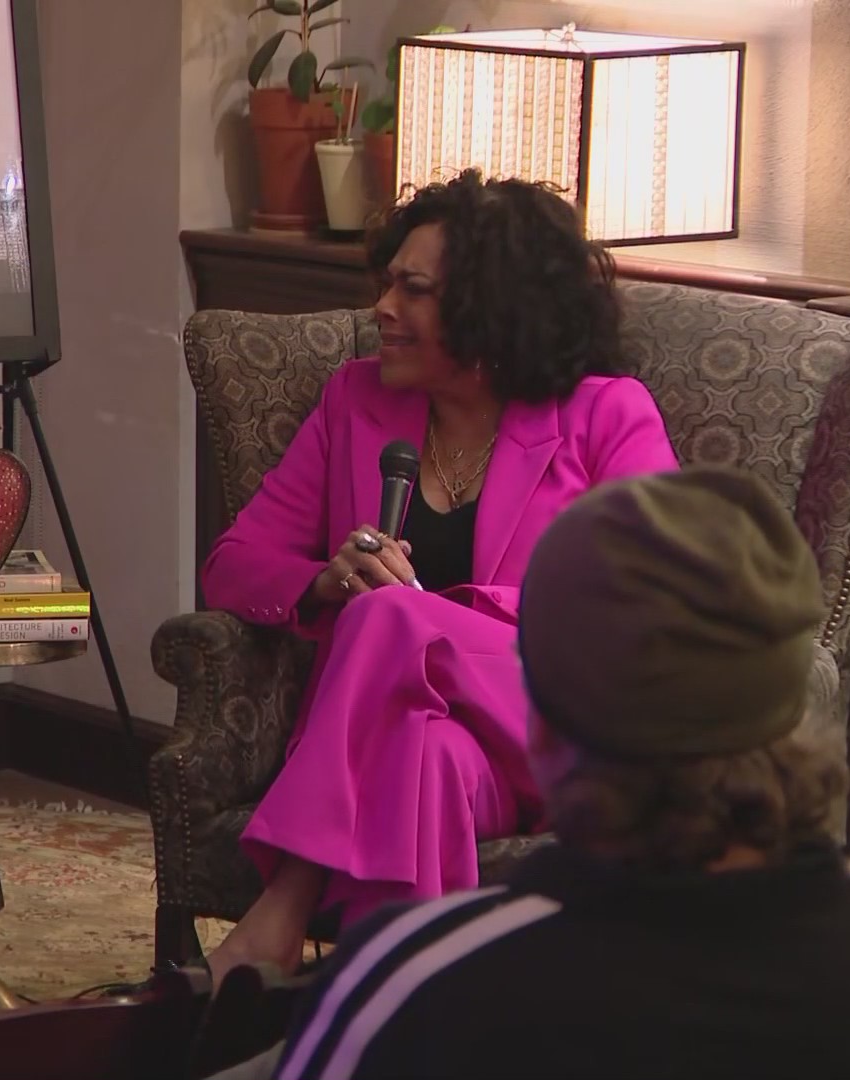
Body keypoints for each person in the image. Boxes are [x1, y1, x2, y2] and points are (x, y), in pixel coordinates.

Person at [246, 466, 850, 1080]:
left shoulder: (412, 978)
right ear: (793, 712)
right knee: (430, 743)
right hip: (443, 744)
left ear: (541, 727)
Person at [199, 169, 679, 979]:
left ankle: (280, 911)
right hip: (449, 752)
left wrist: (439, 614)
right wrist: (327, 580)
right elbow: (233, 566)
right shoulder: (355, 401)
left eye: (413, 291)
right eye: (387, 284)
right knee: (426, 757)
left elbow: (657, 596)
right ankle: (397, 995)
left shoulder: (606, 414)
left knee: (390, 615)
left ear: (492, 310)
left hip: (558, 722)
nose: (383, 308)